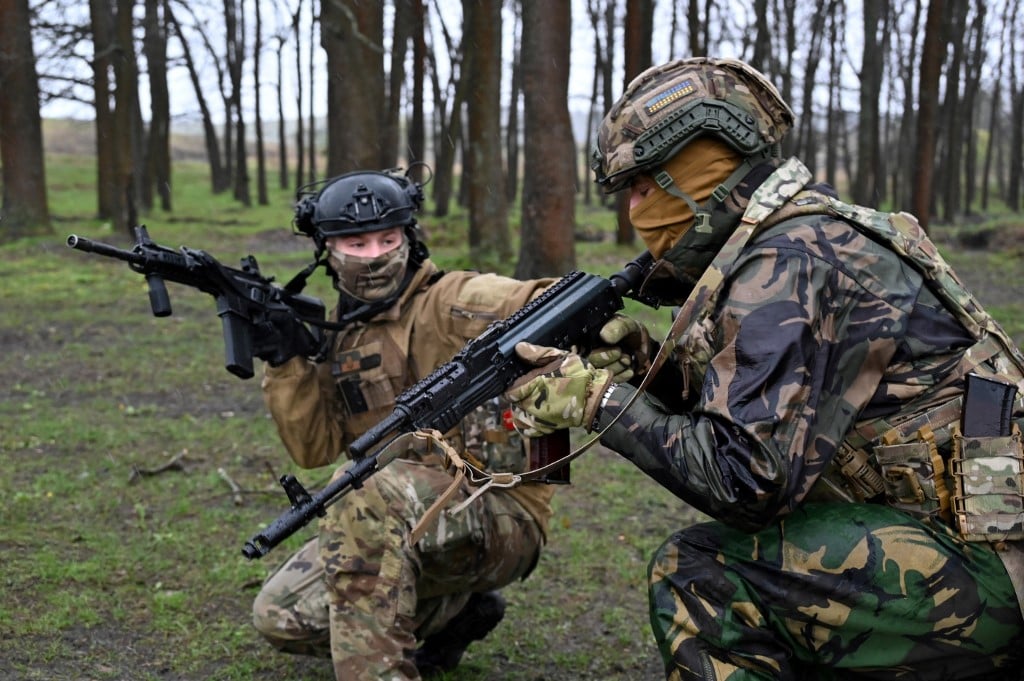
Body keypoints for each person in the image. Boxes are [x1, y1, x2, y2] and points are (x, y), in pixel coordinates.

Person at [506, 57, 1024, 680]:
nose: (635, 212)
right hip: (966, 538)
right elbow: (771, 412)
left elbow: (744, 481)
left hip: (992, 569)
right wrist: (651, 372)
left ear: (700, 170)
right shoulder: (803, 236)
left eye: (644, 186)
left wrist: (601, 403)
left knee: (701, 579)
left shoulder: (793, 259)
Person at [249, 168, 565, 680]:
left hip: (500, 513)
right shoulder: (342, 336)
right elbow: (314, 448)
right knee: (281, 616)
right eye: (356, 243)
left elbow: (539, 299)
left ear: (409, 237)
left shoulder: (451, 300)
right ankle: (458, 615)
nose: (375, 255)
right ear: (326, 250)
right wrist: (286, 362)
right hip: (404, 518)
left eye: (388, 239)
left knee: (361, 496)